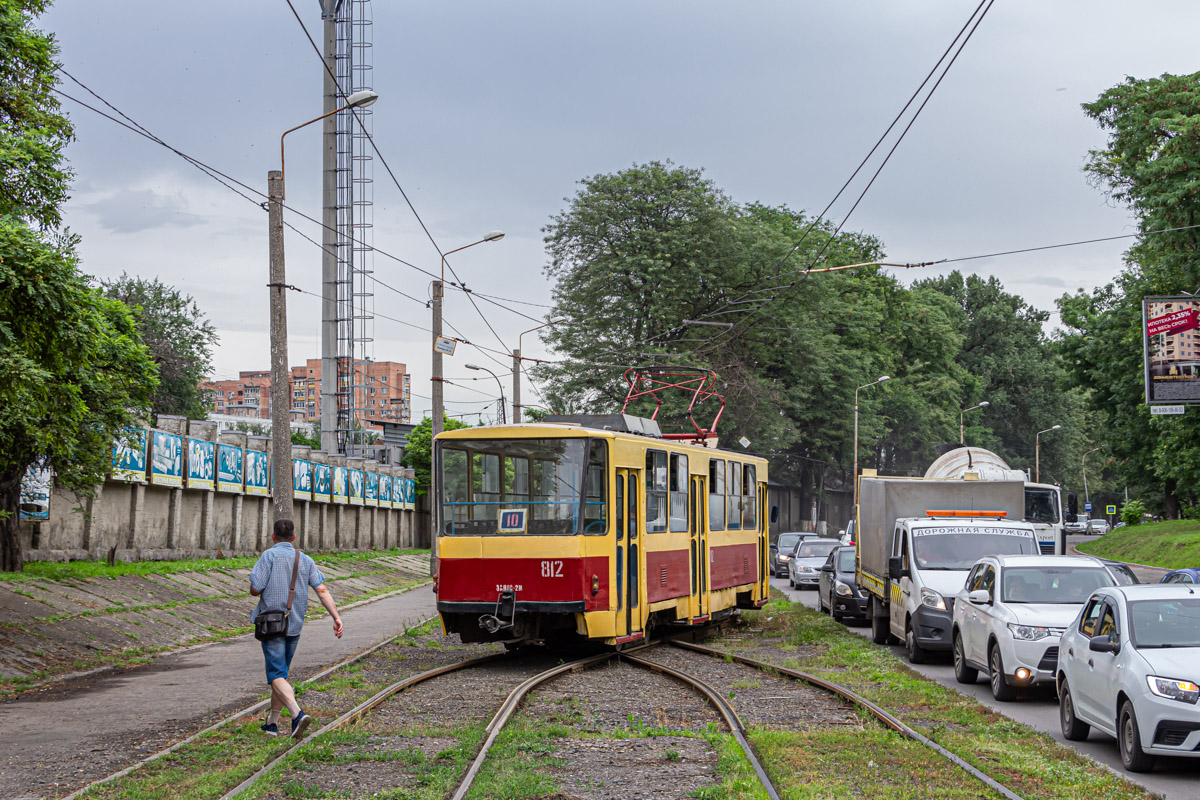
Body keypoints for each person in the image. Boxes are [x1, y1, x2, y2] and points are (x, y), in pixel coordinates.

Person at [249, 518, 343, 738]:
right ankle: (272, 723)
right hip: (294, 624)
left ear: (273, 536)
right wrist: (336, 617)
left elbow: (255, 589)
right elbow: (321, 590)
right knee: (281, 674)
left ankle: (297, 714)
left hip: (271, 625)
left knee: (276, 674)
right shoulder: (305, 559)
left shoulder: (268, 556)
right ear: (293, 537)